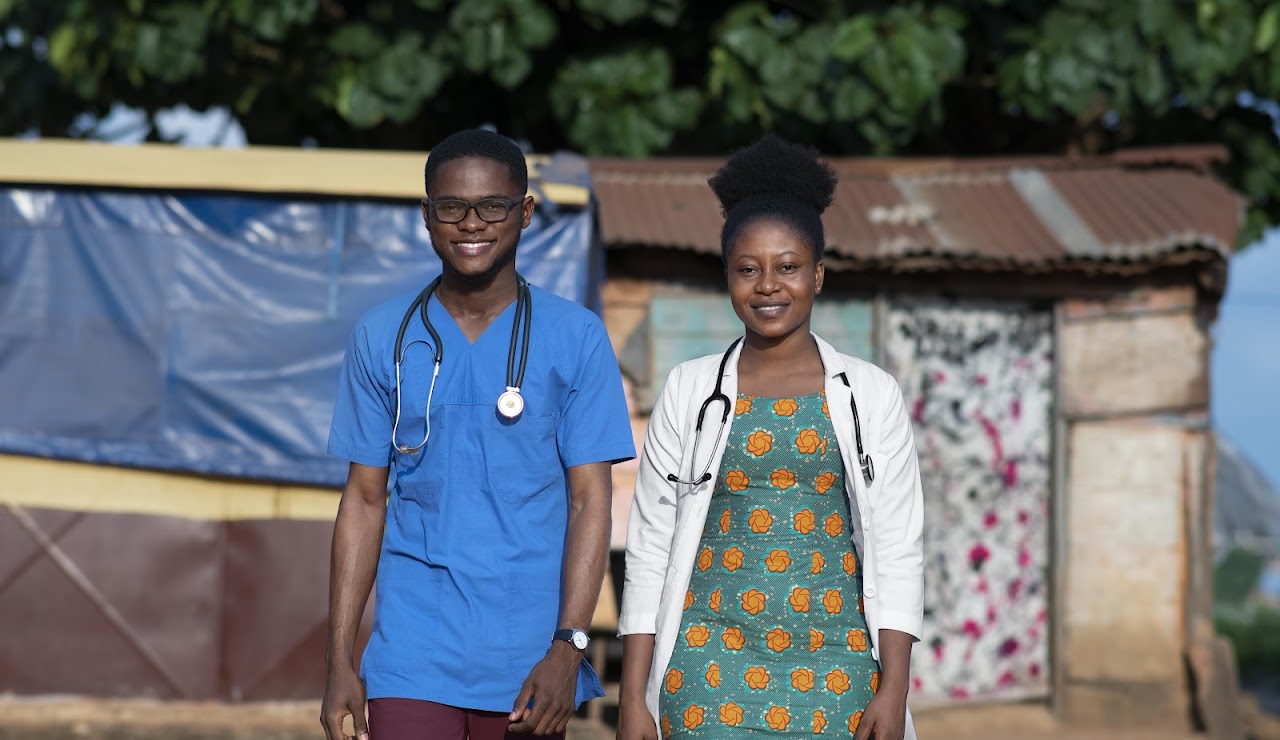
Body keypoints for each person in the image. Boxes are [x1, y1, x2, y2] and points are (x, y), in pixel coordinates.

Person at [321, 129, 635, 740]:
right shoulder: (382, 336)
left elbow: (589, 500)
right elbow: (363, 500)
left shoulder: (575, 336)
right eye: (451, 207)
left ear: (524, 210)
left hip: (528, 656)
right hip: (410, 652)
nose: (471, 223)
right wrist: (339, 660)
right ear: (426, 216)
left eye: (492, 205)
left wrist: (569, 646)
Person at [616, 135, 924, 740]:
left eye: (788, 267)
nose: (768, 286)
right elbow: (649, 546)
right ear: (727, 276)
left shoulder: (871, 393)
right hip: (706, 666)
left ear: (818, 275)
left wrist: (894, 687)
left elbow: (897, 545)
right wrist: (633, 698)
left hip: (839, 667)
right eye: (748, 269)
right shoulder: (688, 389)